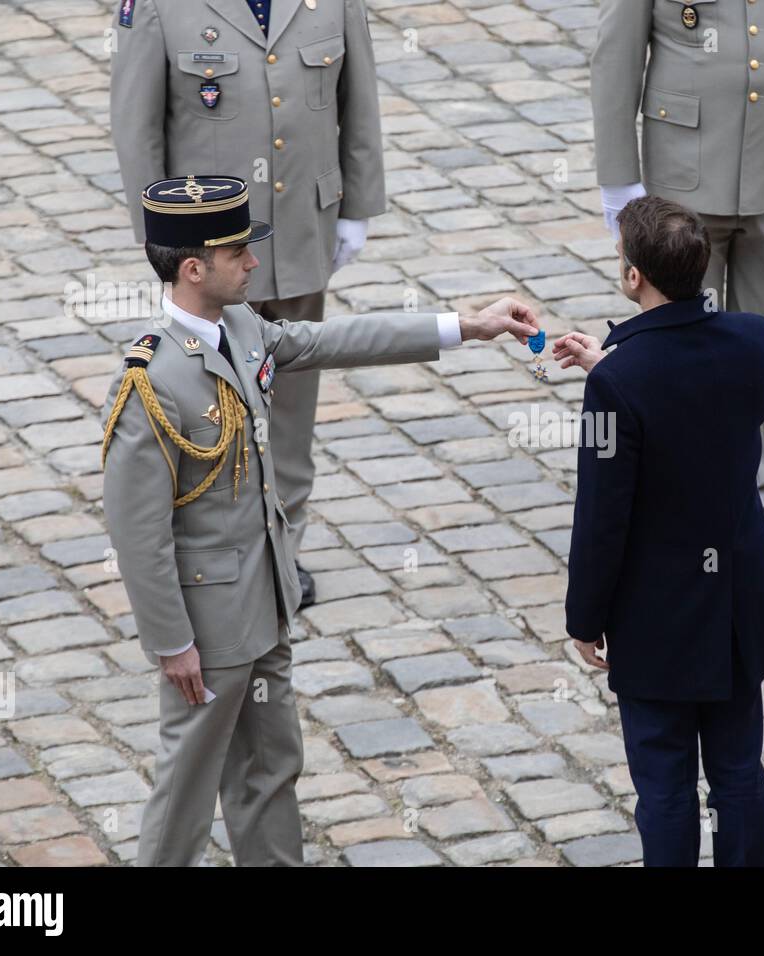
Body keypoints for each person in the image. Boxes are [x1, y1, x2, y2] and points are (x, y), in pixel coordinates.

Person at [100, 176, 537, 866]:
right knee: (187, 786)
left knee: (272, 768)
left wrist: (466, 325)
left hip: (265, 603)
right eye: (238, 252)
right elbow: (137, 531)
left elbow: (337, 339)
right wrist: (171, 641)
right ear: (193, 269)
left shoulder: (240, 327)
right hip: (208, 629)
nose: (252, 264)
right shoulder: (150, 384)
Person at [110, 0, 389, 602]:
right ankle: (219, 553)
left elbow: (358, 100)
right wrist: (156, 229)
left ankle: (284, 555)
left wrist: (358, 207)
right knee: (208, 402)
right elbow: (137, 122)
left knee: (292, 405)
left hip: (302, 231)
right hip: (209, 247)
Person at [558, 196, 764, 867]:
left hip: (657, 615)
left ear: (633, 278)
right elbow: (697, 390)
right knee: (740, 771)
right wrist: (619, 360)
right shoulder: (755, 340)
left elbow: (602, 517)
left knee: (664, 784)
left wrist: (584, 615)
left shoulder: (618, 384)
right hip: (737, 600)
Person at [589, 0, 764, 554]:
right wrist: (618, 176)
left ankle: (756, 489)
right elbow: (616, 52)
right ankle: (680, 485)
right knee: (677, 337)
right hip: (683, 172)